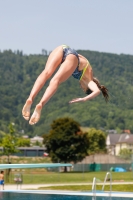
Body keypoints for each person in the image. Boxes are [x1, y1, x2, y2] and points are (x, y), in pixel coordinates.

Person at [22, 44, 109, 125]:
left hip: (63, 48)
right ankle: (41, 104)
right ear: (87, 87)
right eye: (83, 88)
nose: (81, 87)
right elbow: (97, 91)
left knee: (46, 73)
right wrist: (84, 99)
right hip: (73, 58)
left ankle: (30, 98)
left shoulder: (88, 70)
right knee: (55, 81)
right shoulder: (88, 79)